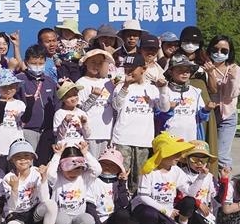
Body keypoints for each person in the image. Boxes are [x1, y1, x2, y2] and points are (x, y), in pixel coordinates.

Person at [0, 139, 58, 224]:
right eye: (18, 157)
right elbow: (12, 206)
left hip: (33, 211)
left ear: (32, 158)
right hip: (16, 212)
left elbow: (45, 199)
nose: (23, 160)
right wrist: (14, 189)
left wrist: (43, 179)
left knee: (51, 204)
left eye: (27, 156)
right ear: (12, 159)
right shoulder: (8, 178)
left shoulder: (37, 172)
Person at [130, 133, 196, 224]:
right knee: (150, 214)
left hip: (165, 212)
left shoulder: (176, 171)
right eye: (175, 152)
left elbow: (190, 192)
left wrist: (202, 177)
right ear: (163, 153)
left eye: (180, 152)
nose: (179, 156)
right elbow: (143, 197)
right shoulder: (149, 170)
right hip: (146, 208)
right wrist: (166, 211)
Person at [111, 53, 162, 193]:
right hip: (122, 139)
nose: (128, 72)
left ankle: (137, 202)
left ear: (143, 69)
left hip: (143, 140)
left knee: (140, 179)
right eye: (126, 68)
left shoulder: (152, 88)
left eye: (132, 68)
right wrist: (125, 86)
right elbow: (116, 105)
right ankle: (121, 202)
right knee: (122, 176)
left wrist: (163, 89)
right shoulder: (120, 87)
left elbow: (164, 108)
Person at [47, 141, 101, 224]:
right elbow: (49, 173)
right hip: (60, 220)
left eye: (78, 170)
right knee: (61, 220)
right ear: (61, 167)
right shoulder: (57, 178)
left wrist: (85, 153)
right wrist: (57, 155)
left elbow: (98, 170)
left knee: (89, 220)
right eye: (69, 170)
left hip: (78, 219)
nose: (74, 174)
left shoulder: (84, 178)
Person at [177, 141, 225, 224]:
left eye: (203, 160)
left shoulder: (209, 176)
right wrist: (198, 203)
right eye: (194, 159)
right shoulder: (180, 173)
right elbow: (180, 197)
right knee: (189, 201)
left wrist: (224, 181)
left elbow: (219, 199)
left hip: (203, 214)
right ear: (187, 159)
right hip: (183, 210)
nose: (199, 163)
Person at [16, 45, 59, 165]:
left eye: (41, 63)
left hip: (47, 132)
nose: (38, 66)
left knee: (44, 165)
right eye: (34, 63)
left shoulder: (50, 82)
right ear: (26, 62)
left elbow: (56, 104)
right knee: (28, 164)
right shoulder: (19, 80)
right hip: (27, 130)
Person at [204, 35, 240, 170]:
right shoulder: (204, 67)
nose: (219, 53)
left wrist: (232, 79)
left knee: (221, 155)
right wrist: (209, 73)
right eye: (215, 49)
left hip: (226, 116)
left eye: (224, 51)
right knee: (204, 151)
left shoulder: (234, 69)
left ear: (229, 52)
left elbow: (231, 94)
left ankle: (224, 181)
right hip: (207, 114)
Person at [157, 54, 214, 141]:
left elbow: (201, 117)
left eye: (187, 71)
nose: (185, 73)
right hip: (169, 140)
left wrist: (206, 109)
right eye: (180, 70)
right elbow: (158, 117)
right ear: (171, 72)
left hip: (191, 139)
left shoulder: (196, 91)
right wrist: (169, 110)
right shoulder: (164, 90)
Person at [86, 147, 131, 224]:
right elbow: (89, 207)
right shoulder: (93, 181)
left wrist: (122, 184)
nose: (107, 166)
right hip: (97, 221)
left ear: (119, 168)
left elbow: (123, 204)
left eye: (112, 164)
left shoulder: (119, 182)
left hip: (113, 221)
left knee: (123, 213)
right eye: (104, 163)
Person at [76, 49, 115, 158]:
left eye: (100, 63)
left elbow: (113, 105)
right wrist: (93, 97)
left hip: (107, 133)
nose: (96, 65)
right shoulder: (81, 83)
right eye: (93, 62)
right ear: (86, 62)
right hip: (90, 134)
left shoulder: (108, 83)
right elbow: (80, 110)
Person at [0, 70, 25, 171]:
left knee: (14, 173)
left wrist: (30, 105)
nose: (8, 90)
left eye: (11, 86)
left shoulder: (20, 104)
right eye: (4, 87)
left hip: (16, 145)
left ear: (16, 87)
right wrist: (1, 105)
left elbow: (24, 119)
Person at [53, 81, 89, 147]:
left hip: (79, 148)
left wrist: (84, 123)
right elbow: (58, 135)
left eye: (75, 94)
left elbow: (87, 135)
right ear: (63, 99)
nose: (73, 98)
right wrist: (65, 122)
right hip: (64, 148)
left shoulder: (82, 113)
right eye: (69, 96)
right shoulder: (59, 113)